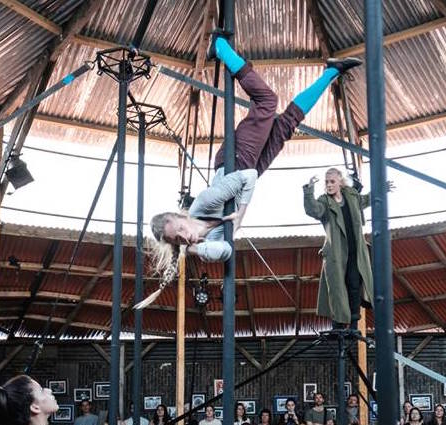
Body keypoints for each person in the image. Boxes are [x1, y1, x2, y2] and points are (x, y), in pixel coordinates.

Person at [142, 37, 362, 308]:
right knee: (289, 122)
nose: (185, 236)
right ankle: (332, 72)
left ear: (180, 216)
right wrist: (197, 248)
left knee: (267, 100)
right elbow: (224, 251)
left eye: (180, 229)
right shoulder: (206, 241)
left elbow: (248, 179)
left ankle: (220, 48)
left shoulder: (203, 203)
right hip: (249, 167)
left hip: (236, 162)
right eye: (178, 239)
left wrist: (241, 213)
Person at [303, 167, 375, 329]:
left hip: (355, 250)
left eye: (332, 181)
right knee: (337, 288)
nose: (329, 185)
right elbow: (314, 210)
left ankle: (354, 323)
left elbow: (364, 201)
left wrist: (380, 190)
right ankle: (339, 325)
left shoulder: (351, 195)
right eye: (327, 182)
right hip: (336, 253)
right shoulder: (324, 202)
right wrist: (309, 191)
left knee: (354, 284)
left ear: (340, 182)